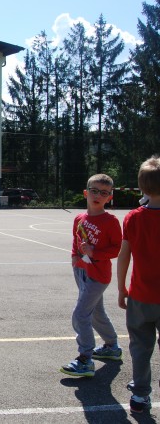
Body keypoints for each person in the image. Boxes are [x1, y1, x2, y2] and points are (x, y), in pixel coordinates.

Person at [60, 174, 123, 377]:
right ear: (86, 193)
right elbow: (75, 241)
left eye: (103, 193)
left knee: (80, 314)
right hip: (81, 271)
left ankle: (85, 359)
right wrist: (74, 258)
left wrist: (94, 253)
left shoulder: (111, 221)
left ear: (109, 198)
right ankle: (112, 347)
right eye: (94, 191)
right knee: (96, 313)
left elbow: (116, 250)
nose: (98, 195)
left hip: (98, 276)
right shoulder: (80, 218)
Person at [117, 156, 160, 413]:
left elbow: (124, 256)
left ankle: (141, 395)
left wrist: (122, 288)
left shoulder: (133, 218)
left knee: (141, 347)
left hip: (141, 295)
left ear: (141, 188)